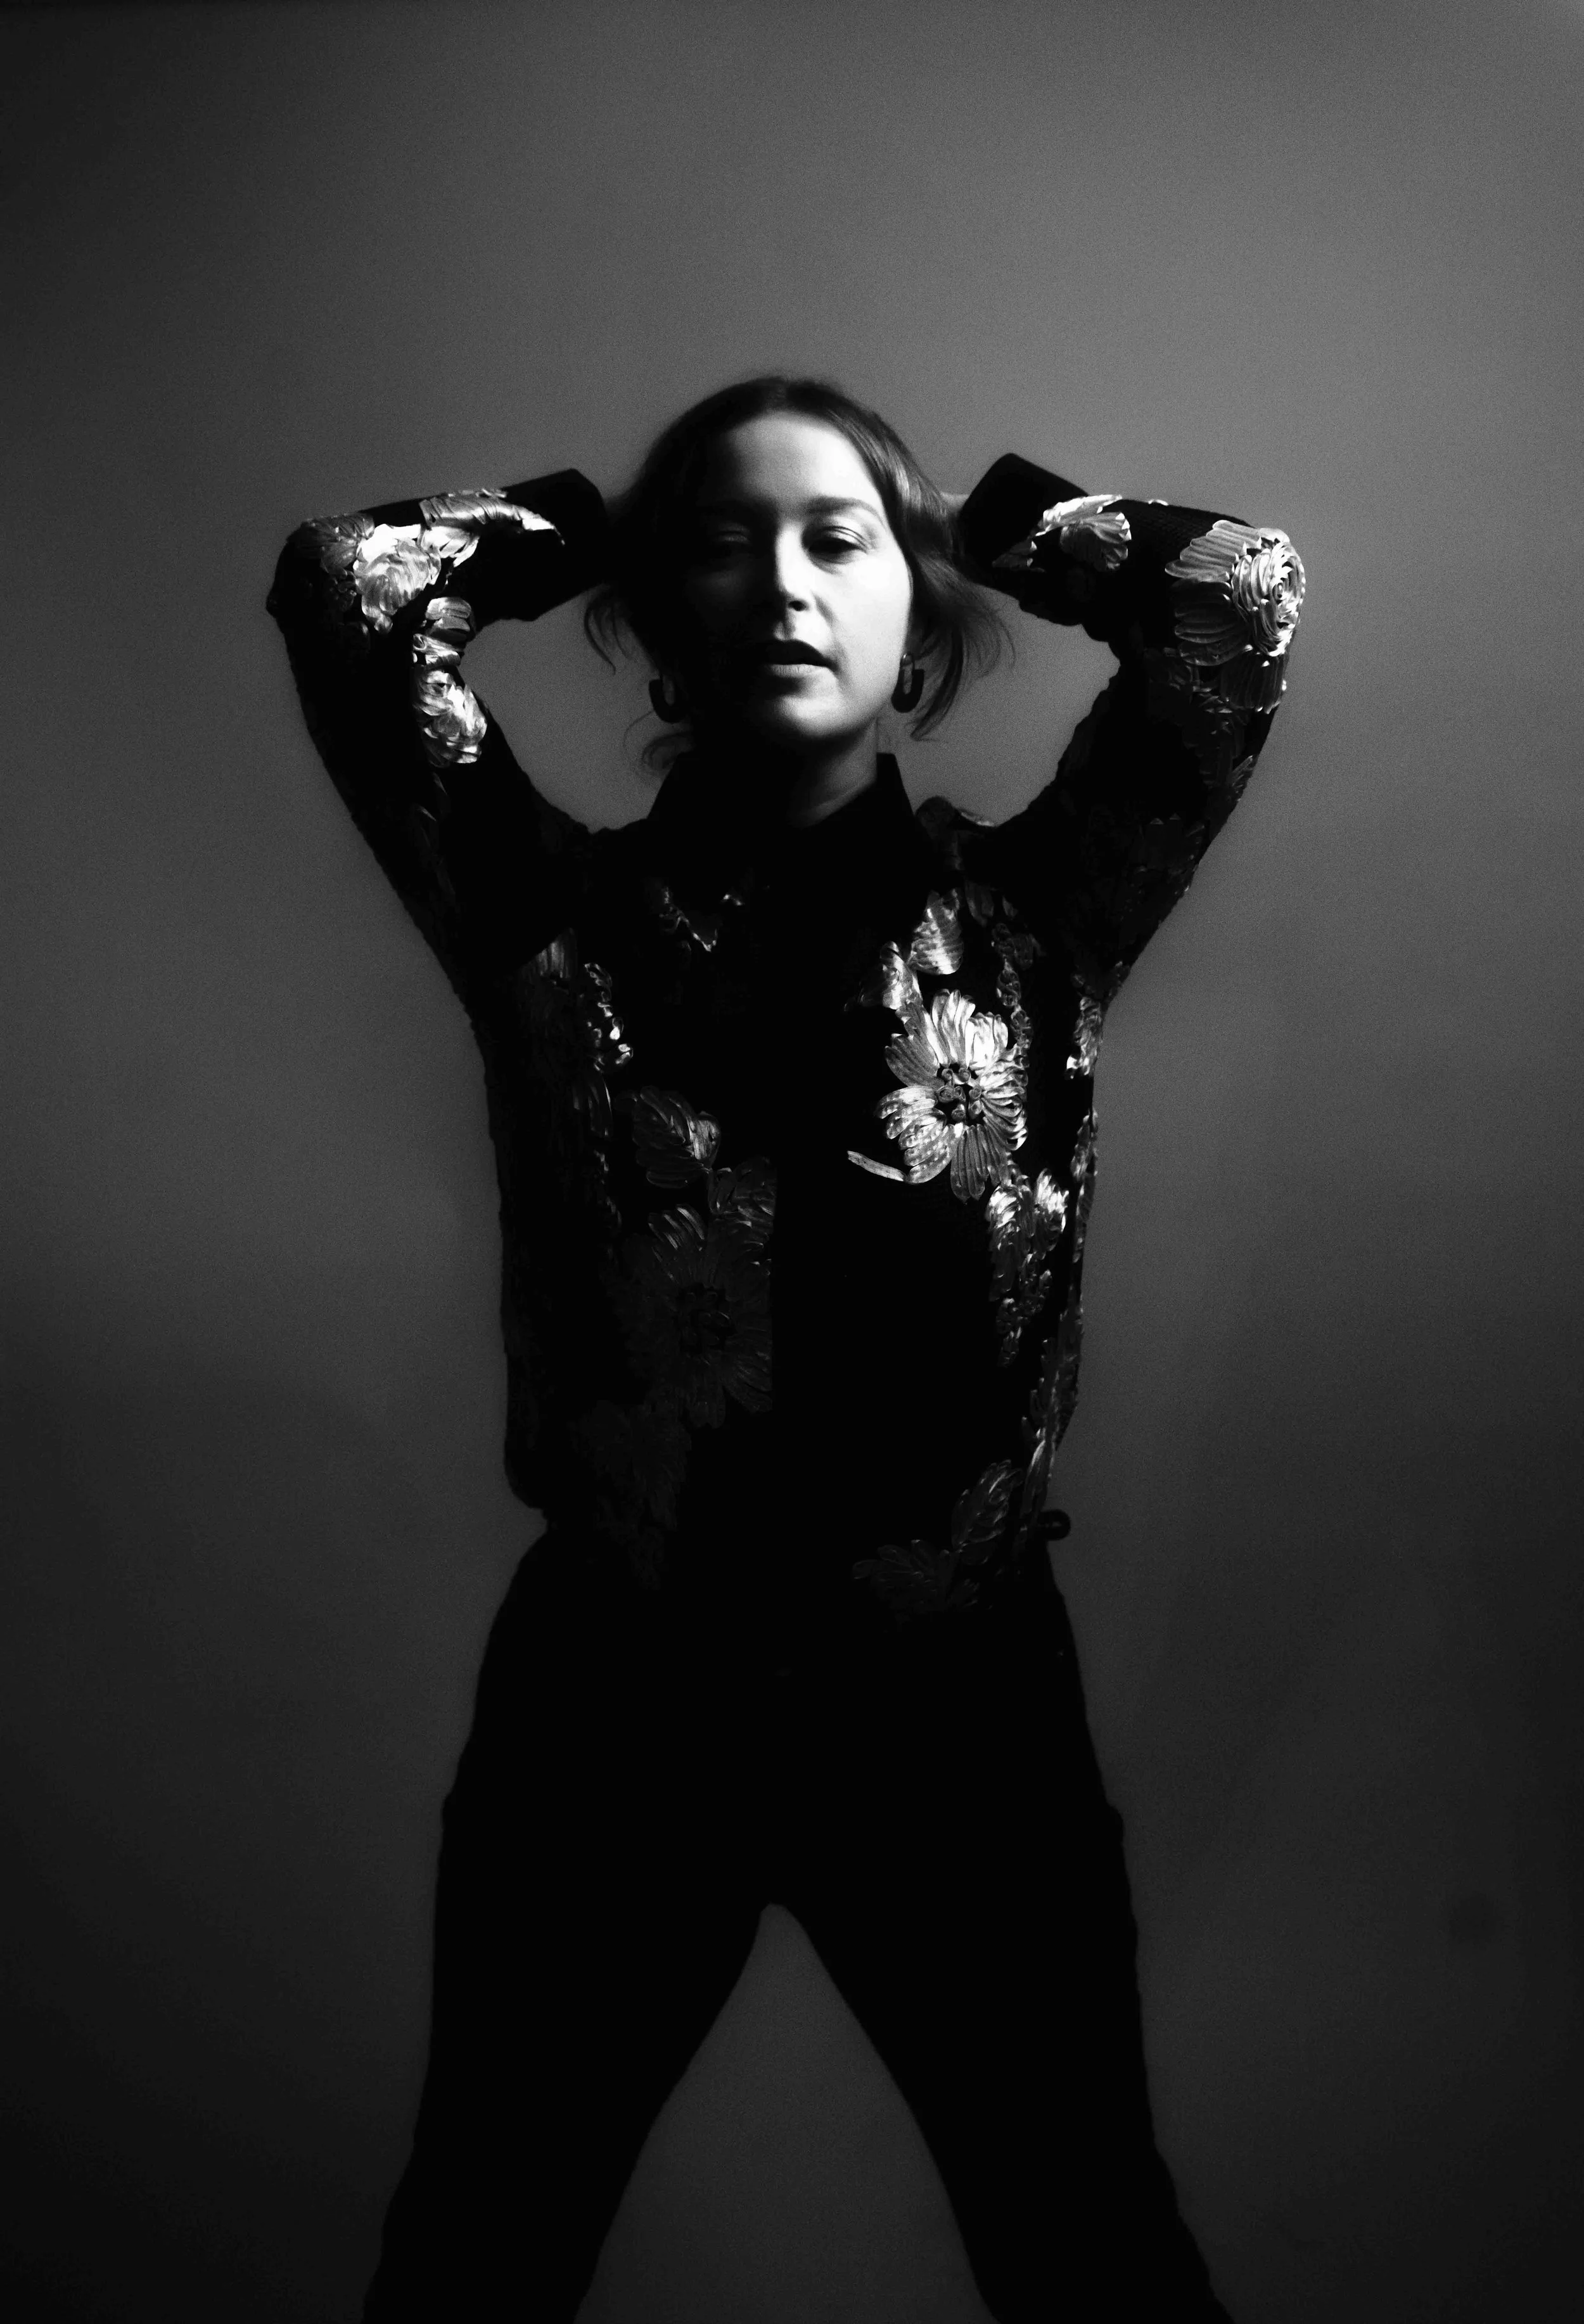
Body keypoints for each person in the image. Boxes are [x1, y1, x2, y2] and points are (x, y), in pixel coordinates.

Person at [268, 374, 1303, 2321]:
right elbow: (348, 592)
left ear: (916, 611)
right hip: (615, 1705)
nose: (779, 583)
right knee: (479, 2246)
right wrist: (595, 521)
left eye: (836, 541)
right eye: (721, 547)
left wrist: (985, 519)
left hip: (959, 1712)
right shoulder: (538, 912)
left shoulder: (1042, 914)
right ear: (657, 616)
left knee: (1090, 2244)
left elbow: (1232, 595)